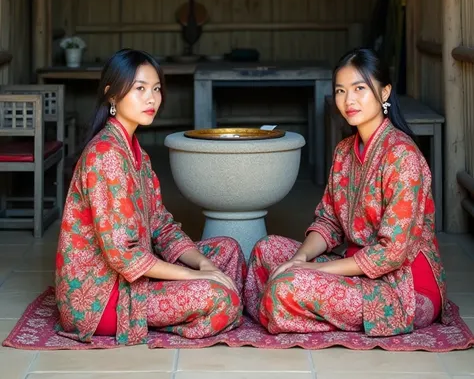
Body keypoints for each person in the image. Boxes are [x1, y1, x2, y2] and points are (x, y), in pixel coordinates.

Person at [244, 48, 446, 337]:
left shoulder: (403, 157)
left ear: (385, 92)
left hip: (405, 287)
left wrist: (315, 272)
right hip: (355, 271)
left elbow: (391, 253)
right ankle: (291, 308)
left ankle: (287, 305)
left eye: (359, 88)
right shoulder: (343, 152)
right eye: (340, 90)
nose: (348, 100)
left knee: (287, 287)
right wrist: (300, 259)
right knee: (267, 250)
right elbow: (328, 222)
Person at [55, 49, 244, 345]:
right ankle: (166, 321)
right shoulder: (105, 155)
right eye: (140, 88)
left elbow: (161, 225)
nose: (151, 99)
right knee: (222, 298)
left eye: (156, 89)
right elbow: (123, 255)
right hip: (104, 296)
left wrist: (202, 265)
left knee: (229, 250)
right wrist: (195, 277)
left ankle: (193, 299)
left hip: (136, 279)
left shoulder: (136, 153)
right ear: (112, 96)